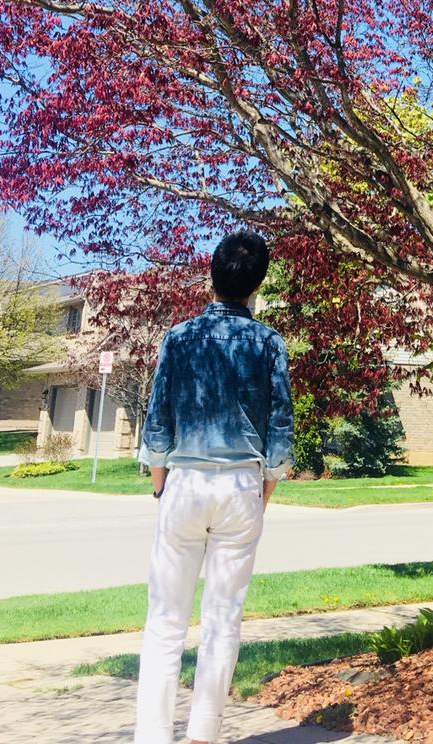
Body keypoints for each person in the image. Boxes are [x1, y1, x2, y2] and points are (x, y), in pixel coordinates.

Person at [134, 231, 293, 744]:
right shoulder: (268, 342)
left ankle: (154, 736)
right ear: (256, 285)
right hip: (242, 486)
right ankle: (203, 734)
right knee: (223, 619)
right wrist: (264, 489)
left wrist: (161, 481)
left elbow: (157, 418)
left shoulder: (180, 337)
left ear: (213, 274)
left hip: (185, 482)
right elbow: (280, 426)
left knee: (165, 620)